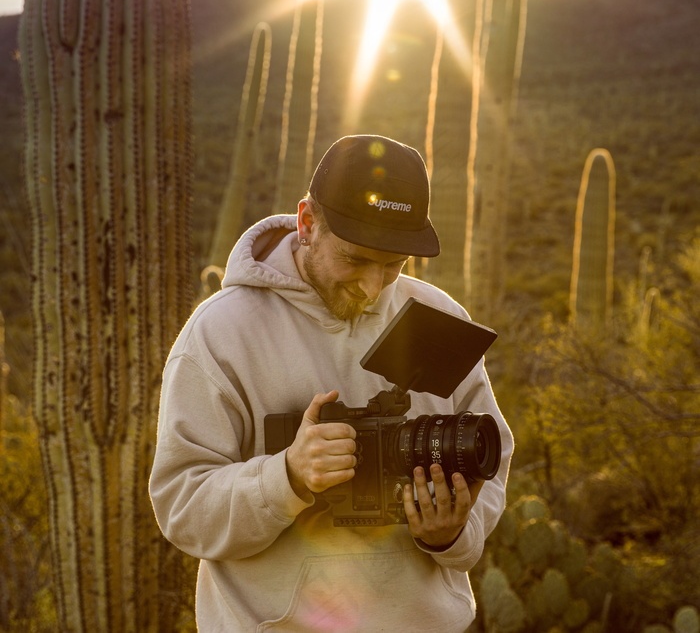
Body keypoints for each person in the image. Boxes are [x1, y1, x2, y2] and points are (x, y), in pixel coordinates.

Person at [150, 134, 513, 632]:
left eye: (392, 265)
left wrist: (452, 533)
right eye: (355, 259)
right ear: (306, 223)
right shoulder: (221, 333)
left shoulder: (436, 317)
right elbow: (181, 505)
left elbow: (491, 460)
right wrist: (288, 477)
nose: (371, 286)